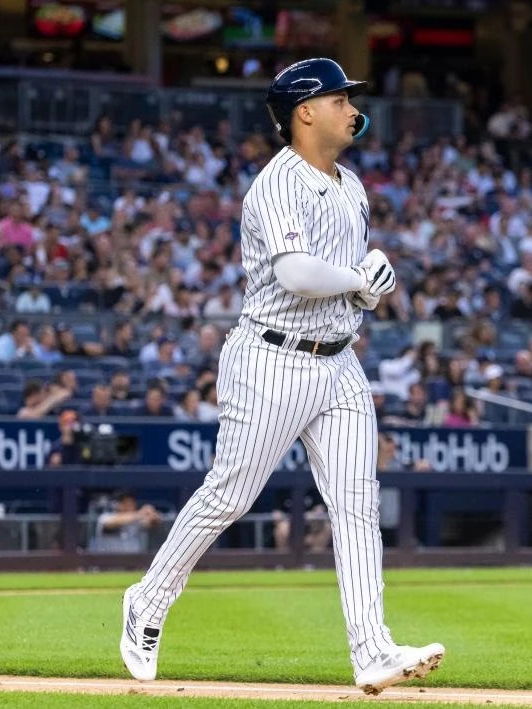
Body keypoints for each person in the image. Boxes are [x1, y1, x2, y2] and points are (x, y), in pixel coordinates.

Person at [119, 58, 443, 695]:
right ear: (305, 111)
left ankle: (373, 650)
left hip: (339, 361)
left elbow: (339, 286)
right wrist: (358, 279)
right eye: (341, 98)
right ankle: (148, 601)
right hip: (271, 356)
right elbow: (296, 274)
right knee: (231, 496)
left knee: (356, 505)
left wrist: (367, 290)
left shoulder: (352, 187)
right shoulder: (275, 185)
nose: (353, 108)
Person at [92, 490, 162, 553]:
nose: (130, 507)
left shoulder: (136, 521)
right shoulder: (106, 516)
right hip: (107, 564)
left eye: (132, 503)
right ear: (117, 504)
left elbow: (153, 522)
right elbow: (112, 522)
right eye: (126, 504)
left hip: (132, 564)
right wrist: (141, 513)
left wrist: (153, 514)